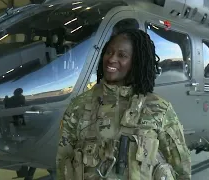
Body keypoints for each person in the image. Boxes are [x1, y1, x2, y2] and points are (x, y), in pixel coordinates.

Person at [56, 28, 191, 180]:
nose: (112, 59)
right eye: (109, 52)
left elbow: (181, 168)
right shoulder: (79, 107)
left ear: (136, 62)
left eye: (122, 55)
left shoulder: (158, 108)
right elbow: (63, 164)